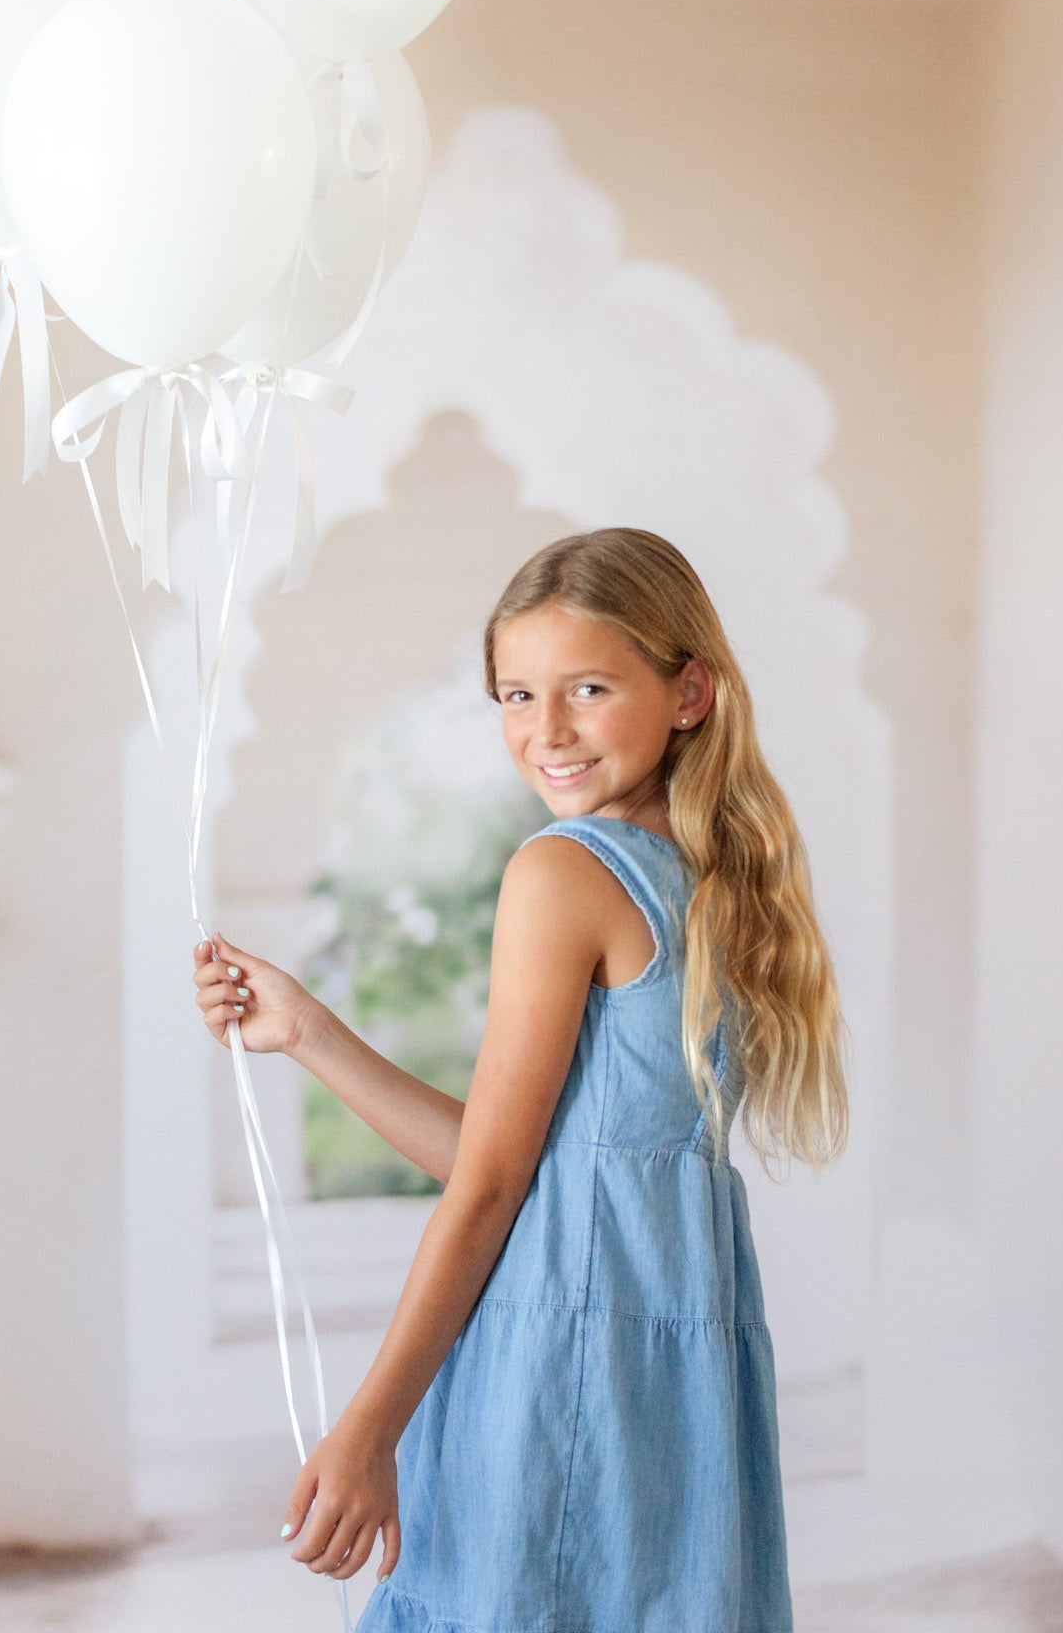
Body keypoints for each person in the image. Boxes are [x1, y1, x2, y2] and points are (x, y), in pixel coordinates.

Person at [192, 525, 850, 1632]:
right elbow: (534, 1165)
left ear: (687, 690)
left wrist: (371, 1425)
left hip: (565, 1359)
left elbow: (493, 1188)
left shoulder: (564, 871)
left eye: (588, 687)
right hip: (670, 1378)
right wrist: (306, 1030)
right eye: (513, 693)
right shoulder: (711, 880)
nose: (544, 730)